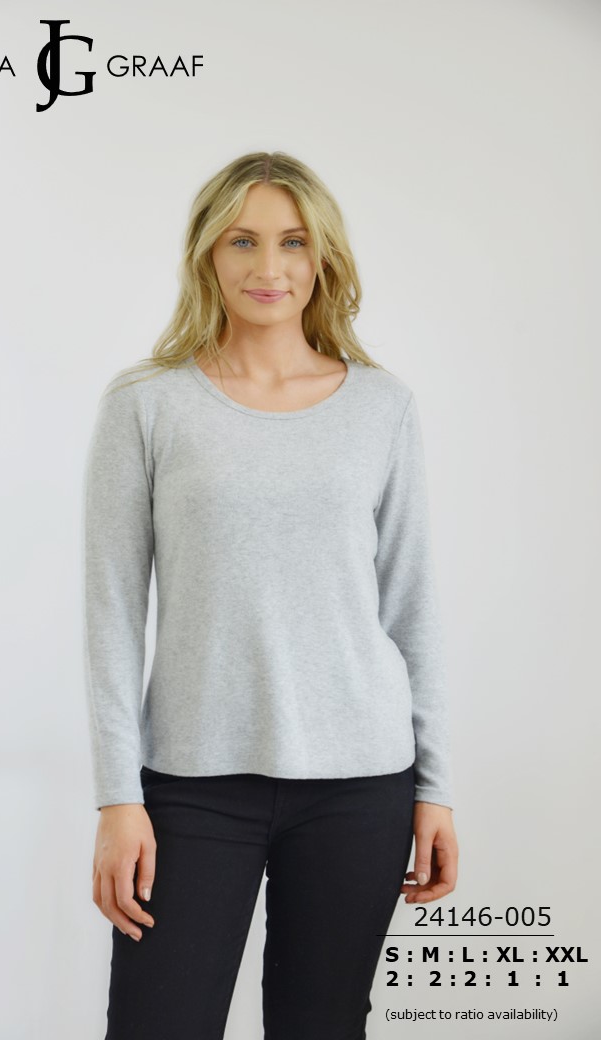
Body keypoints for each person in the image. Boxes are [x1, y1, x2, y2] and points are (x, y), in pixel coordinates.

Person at [82, 150, 459, 1040]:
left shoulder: (382, 407)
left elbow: (411, 606)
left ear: (322, 256)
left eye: (292, 242)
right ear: (207, 252)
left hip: (361, 785)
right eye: (242, 240)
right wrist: (116, 797)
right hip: (193, 786)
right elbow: (111, 613)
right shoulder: (146, 404)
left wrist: (436, 787)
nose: (268, 266)